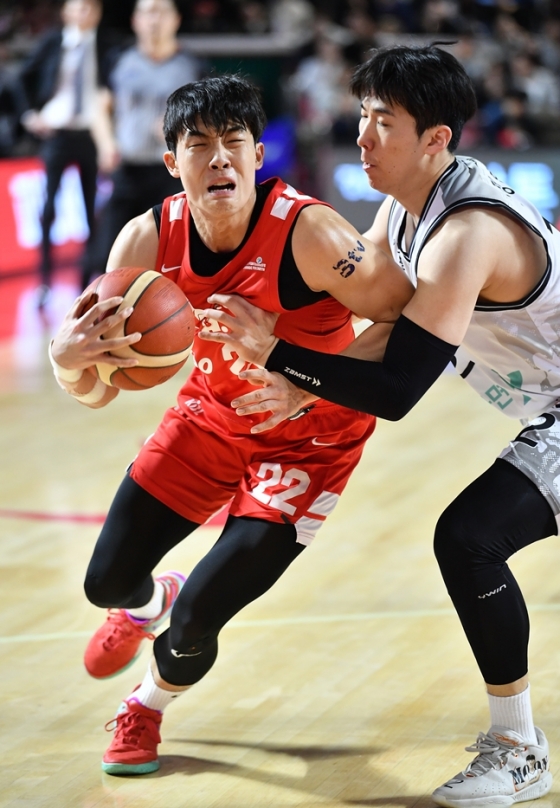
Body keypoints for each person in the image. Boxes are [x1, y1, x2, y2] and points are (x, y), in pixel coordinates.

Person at [198, 44, 560, 807]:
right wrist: (297, 388)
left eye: (382, 121)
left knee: (469, 538)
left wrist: (280, 356)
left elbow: (397, 389)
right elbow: (391, 321)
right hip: (548, 406)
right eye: (362, 114)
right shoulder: (408, 207)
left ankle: (519, 749)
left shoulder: (467, 233)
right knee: (472, 537)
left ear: (435, 139)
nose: (360, 134)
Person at [48, 74, 413, 776]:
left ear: (256, 156)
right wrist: (67, 363)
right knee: (106, 584)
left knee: (197, 621)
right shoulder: (145, 240)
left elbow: (408, 319)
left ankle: (146, 705)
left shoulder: (312, 235)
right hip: (209, 419)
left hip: (311, 442)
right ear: (171, 162)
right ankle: (147, 601)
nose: (219, 157)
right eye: (199, 144)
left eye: (234, 142)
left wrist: (303, 382)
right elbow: (97, 392)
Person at [90, 0, 201, 288]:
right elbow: (100, 107)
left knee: (171, 257)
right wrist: (106, 144)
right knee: (108, 255)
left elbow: (205, 121)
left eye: (161, 12)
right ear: (135, 21)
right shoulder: (119, 60)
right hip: (127, 169)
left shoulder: (192, 66)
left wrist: (179, 125)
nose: (154, 20)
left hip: (171, 174)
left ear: (176, 20)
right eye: (147, 12)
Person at [17, 0, 112, 305]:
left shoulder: (106, 45)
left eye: (89, 8)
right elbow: (21, 77)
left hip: (90, 134)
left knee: (90, 208)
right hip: (57, 133)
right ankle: (44, 281)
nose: (84, 13)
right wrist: (29, 114)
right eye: (78, 7)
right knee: (49, 208)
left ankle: (87, 281)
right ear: (66, 12)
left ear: (97, 13)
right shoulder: (53, 42)